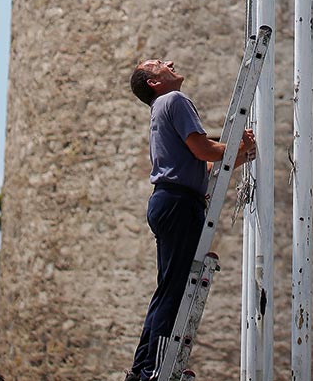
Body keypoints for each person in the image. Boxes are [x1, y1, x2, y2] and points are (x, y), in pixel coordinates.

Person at [125, 57, 256, 381]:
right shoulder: (174, 100)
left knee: (168, 289)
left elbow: (203, 166)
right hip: (179, 204)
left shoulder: (160, 109)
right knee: (175, 291)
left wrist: (241, 154)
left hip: (170, 201)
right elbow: (203, 150)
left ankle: (142, 369)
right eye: (159, 63)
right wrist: (236, 146)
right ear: (154, 82)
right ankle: (155, 370)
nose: (169, 62)